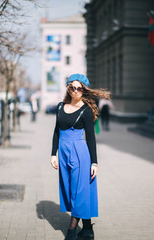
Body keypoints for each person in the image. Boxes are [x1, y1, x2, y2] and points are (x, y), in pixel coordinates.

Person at [50, 73, 111, 240]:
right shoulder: (60, 107)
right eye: (72, 87)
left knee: (79, 191)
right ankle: (88, 230)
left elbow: (91, 138)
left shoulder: (85, 110)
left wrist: (94, 163)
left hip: (79, 153)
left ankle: (71, 232)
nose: (75, 90)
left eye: (78, 88)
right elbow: (56, 131)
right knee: (70, 189)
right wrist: (53, 154)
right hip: (63, 152)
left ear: (83, 90)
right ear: (68, 88)